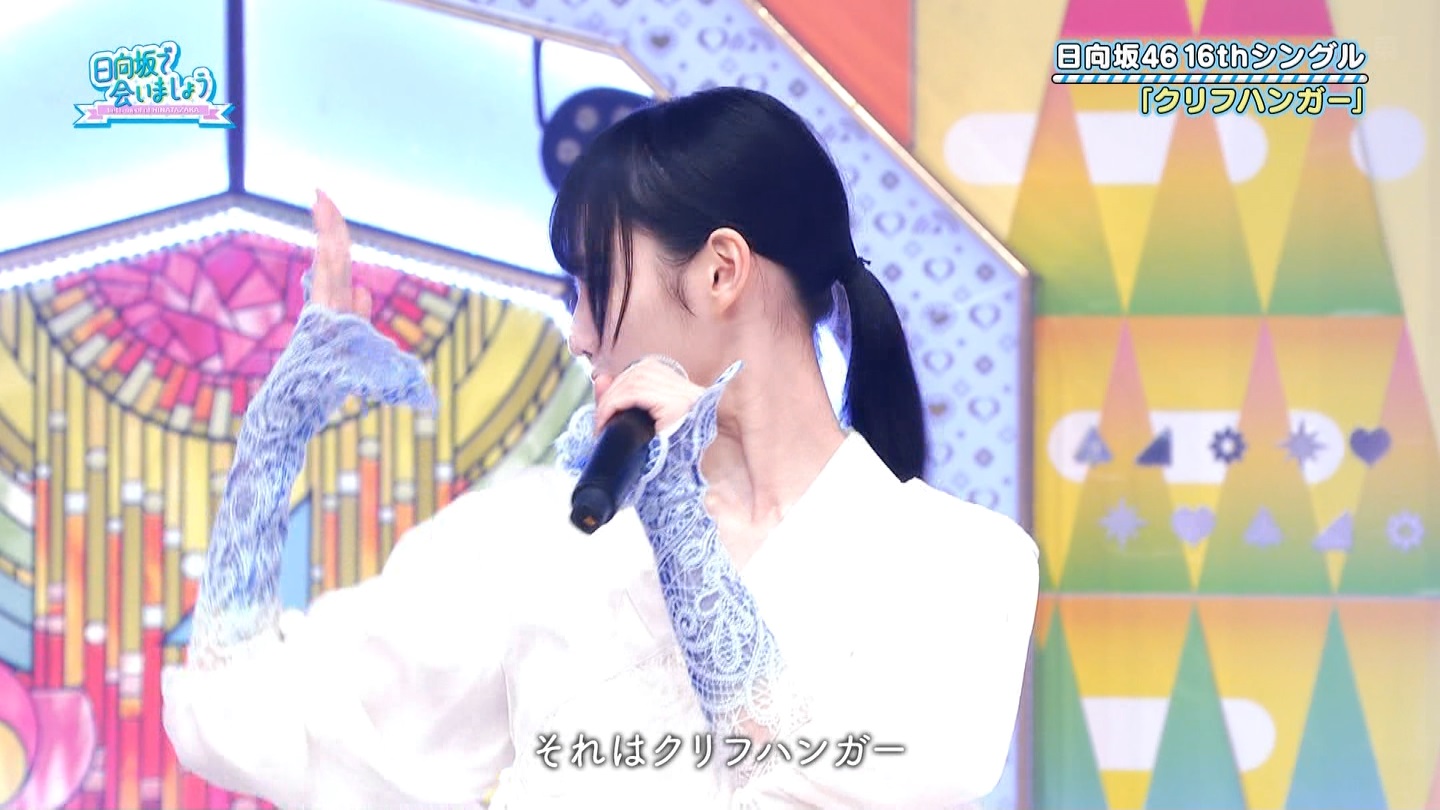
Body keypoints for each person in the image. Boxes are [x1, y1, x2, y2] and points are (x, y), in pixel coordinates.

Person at [162, 86, 1039, 809]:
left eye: (594, 282)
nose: (580, 334)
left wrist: (685, 538)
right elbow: (258, 715)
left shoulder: (961, 559)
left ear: (721, 271)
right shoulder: (534, 535)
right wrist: (275, 437)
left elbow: (873, 769)